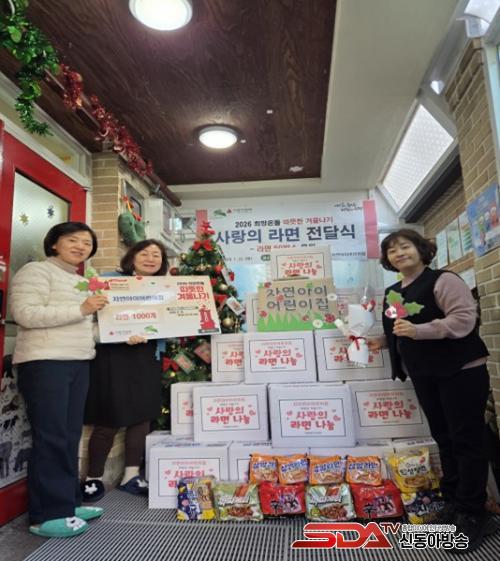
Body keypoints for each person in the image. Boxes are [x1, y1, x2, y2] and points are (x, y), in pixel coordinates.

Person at [369, 228, 495, 553]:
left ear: (422, 249)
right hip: (425, 374)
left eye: (405, 246)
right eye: (392, 250)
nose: (399, 253)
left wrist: (419, 330)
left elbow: (464, 320)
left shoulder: (443, 280)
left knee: (466, 439)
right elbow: (399, 331)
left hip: (461, 370)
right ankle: (454, 502)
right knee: (445, 438)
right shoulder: (393, 292)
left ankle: (474, 512)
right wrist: (380, 341)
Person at [10, 222, 108, 538]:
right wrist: (81, 308)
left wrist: (121, 333)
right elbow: (25, 314)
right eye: (73, 240)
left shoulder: (82, 281)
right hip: (44, 363)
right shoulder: (36, 271)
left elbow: (82, 326)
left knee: (68, 436)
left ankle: (68, 503)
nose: (81, 246)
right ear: (54, 243)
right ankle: (46, 515)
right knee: (51, 437)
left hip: (77, 362)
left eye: (87, 242)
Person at [82, 239, 168, 501]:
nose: (151, 259)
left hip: (147, 355)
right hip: (113, 356)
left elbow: (173, 322)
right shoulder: (109, 281)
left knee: (142, 416)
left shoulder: (167, 287)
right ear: (132, 256)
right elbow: (92, 317)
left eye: (156, 255)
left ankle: (131, 475)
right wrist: (119, 333)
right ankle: (93, 478)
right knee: (109, 416)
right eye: (145, 253)